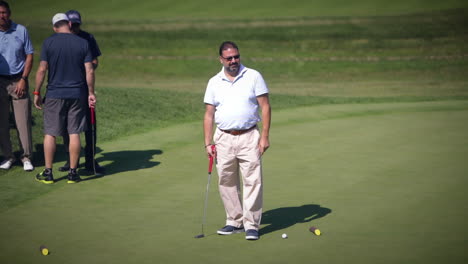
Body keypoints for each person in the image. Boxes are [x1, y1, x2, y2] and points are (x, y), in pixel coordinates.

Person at [203, 41, 271, 240]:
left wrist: (265, 136)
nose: (234, 61)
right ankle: (234, 221)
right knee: (226, 180)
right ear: (221, 59)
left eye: (236, 56)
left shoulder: (253, 76)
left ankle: (252, 225)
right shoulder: (214, 82)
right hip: (223, 137)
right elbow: (209, 114)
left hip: (249, 136)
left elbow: (265, 107)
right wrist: (208, 142)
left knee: (253, 181)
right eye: (229, 58)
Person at [33, 13, 96, 184]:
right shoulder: (83, 42)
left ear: (54, 27)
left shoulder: (49, 42)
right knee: (74, 132)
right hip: (77, 94)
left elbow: (41, 69)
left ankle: (48, 173)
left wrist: (37, 92)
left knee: (51, 133)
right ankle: (73, 173)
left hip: (54, 94)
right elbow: (90, 70)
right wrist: (91, 93)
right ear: (69, 23)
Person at [58, 9, 104, 174]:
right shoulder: (60, 40)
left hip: (84, 88)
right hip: (64, 88)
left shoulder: (87, 38)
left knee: (90, 126)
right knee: (67, 127)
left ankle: (90, 161)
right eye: (72, 24)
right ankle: (71, 161)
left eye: (77, 24)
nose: (75, 28)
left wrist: (87, 66)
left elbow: (95, 61)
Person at [0, 0, 34, 171]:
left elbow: (29, 55)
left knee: (23, 121)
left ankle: (26, 157)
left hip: (18, 80)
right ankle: (8, 156)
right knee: (2, 122)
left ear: (10, 13)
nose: (2, 16)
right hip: (0, 81)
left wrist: (24, 78)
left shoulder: (21, 30)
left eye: (4, 13)